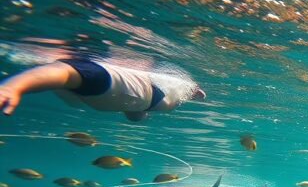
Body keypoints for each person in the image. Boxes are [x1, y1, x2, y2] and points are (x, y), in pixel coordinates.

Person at [0, 57, 205, 121]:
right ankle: (138, 111)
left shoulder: (93, 74)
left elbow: (61, 71)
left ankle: (188, 91)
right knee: (136, 116)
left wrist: (13, 86)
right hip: (129, 101)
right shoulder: (87, 79)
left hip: (148, 95)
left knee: (170, 104)